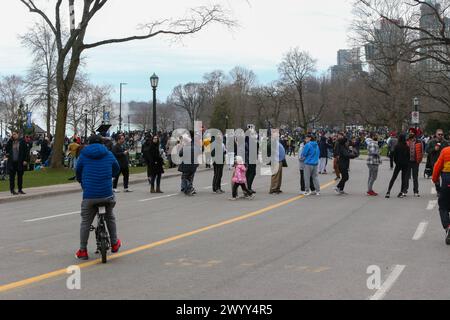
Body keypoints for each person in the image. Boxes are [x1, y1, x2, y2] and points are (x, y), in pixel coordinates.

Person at [75, 135, 121, 260]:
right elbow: (117, 168)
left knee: (85, 222)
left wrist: (81, 181)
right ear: (102, 143)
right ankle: (114, 243)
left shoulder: (84, 155)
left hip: (90, 195)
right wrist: (111, 176)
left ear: (88, 143)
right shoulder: (108, 153)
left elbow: (78, 171)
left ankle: (83, 250)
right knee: (110, 216)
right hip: (106, 194)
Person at [432, 145, 450, 244]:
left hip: (447, 180)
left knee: (443, 206)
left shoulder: (446, 151)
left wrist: (435, 179)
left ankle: (448, 226)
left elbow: (437, 166)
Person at [386, 134, 411, 199]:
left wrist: (396, 162)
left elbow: (395, 156)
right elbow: (408, 156)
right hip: (405, 164)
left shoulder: (397, 146)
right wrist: (407, 163)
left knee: (394, 177)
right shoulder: (407, 147)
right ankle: (401, 192)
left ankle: (388, 191)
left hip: (398, 164)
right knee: (403, 179)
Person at [5, 130, 29, 195]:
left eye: (15, 134)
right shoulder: (10, 142)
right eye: (13, 134)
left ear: (18, 134)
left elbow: (26, 151)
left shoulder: (22, 142)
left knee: (20, 177)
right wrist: (10, 140)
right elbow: (6, 149)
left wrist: (26, 160)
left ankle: (20, 189)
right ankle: (12, 190)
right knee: (12, 177)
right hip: (12, 162)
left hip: (20, 162)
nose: (14, 135)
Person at [406, 128, 423, 197]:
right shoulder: (406, 141)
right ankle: (404, 190)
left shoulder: (419, 142)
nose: (410, 133)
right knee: (406, 177)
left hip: (415, 162)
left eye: (412, 132)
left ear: (415, 134)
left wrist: (419, 159)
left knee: (415, 177)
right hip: (407, 162)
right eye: (409, 132)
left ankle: (416, 191)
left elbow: (422, 151)